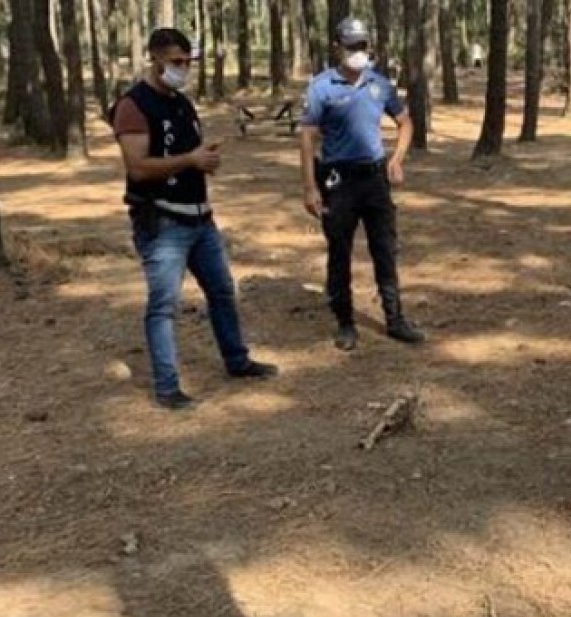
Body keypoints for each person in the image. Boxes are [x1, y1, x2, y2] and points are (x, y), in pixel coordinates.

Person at [110, 28, 277, 409]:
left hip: (201, 220)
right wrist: (190, 160)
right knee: (164, 305)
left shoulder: (182, 104)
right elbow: (137, 167)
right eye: (176, 63)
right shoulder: (133, 106)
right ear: (155, 59)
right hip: (163, 223)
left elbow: (185, 153)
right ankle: (167, 387)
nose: (183, 69)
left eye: (188, 62)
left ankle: (237, 360)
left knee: (221, 291)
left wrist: (203, 158)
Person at [299, 17, 424, 351]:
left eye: (362, 45)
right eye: (351, 45)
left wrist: (396, 159)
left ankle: (395, 319)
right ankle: (345, 322)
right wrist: (310, 186)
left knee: (384, 249)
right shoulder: (321, 86)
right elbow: (308, 137)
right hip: (338, 180)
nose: (357, 52)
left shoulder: (379, 84)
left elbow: (405, 122)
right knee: (339, 252)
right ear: (338, 46)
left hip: (374, 178)